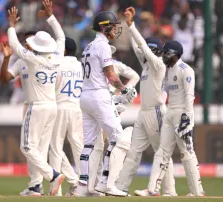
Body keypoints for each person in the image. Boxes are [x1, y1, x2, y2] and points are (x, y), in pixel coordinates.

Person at [133, 14, 204, 197]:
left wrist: (187, 117)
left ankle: (197, 192)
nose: (163, 55)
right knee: (162, 152)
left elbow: (190, 95)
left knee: (187, 153)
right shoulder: (168, 70)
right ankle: (152, 189)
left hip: (182, 114)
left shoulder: (186, 70)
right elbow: (165, 92)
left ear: (175, 54)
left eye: (166, 53)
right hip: (170, 113)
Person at [0, 1, 65, 196]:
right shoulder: (57, 57)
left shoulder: (33, 59)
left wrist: (11, 25)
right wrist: (51, 17)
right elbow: (61, 37)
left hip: (36, 107)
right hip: (52, 106)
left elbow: (15, 45)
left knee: (27, 147)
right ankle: (36, 186)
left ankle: (52, 175)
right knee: (40, 147)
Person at [116, 7, 177, 197]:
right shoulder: (146, 66)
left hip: (158, 112)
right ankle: (120, 188)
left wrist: (132, 26)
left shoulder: (159, 65)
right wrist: (130, 27)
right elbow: (137, 47)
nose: (144, 53)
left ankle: (168, 191)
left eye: (148, 50)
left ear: (156, 51)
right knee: (133, 151)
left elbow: (142, 46)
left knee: (162, 152)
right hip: (143, 113)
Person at [76, 10, 137, 197]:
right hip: (98, 95)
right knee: (119, 137)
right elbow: (110, 75)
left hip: (85, 97)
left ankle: (82, 187)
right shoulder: (102, 45)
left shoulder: (88, 47)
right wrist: (125, 90)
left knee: (88, 144)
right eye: (113, 26)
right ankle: (106, 183)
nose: (115, 29)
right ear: (103, 27)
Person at [86, 46, 140, 196]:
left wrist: (123, 93)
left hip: (104, 104)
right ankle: (102, 184)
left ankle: (99, 184)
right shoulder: (98, 66)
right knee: (109, 143)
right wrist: (123, 93)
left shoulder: (114, 65)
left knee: (105, 143)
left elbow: (135, 76)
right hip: (102, 104)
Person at [48, 37, 83, 196]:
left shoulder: (57, 64)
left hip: (60, 107)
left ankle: (56, 189)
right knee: (79, 147)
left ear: (63, 50)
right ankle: (83, 184)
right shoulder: (81, 66)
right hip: (76, 108)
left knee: (55, 148)